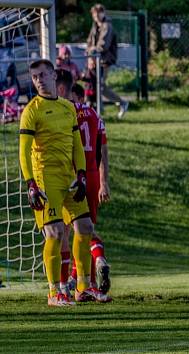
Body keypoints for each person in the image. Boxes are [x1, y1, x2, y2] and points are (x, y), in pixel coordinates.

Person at [18, 60, 108, 306]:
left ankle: (83, 287)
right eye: (34, 77)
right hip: (45, 179)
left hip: (69, 177)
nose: (38, 80)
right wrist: (30, 184)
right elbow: (24, 152)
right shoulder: (31, 111)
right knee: (56, 233)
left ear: (53, 75)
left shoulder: (68, 108)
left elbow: (77, 145)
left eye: (42, 75)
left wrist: (80, 174)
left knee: (85, 227)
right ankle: (54, 291)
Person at [54, 70, 112, 301]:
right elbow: (103, 150)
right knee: (84, 230)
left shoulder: (62, 114)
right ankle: (83, 281)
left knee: (64, 232)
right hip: (92, 176)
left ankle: (64, 285)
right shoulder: (95, 115)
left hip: (70, 175)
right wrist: (104, 181)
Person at [86, 3, 128, 119]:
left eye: (98, 13)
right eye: (94, 14)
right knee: (94, 85)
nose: (97, 16)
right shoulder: (95, 26)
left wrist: (92, 53)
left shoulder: (107, 26)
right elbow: (89, 42)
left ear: (103, 13)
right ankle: (98, 112)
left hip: (105, 60)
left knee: (101, 87)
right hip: (95, 60)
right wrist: (90, 57)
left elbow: (103, 45)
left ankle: (122, 102)